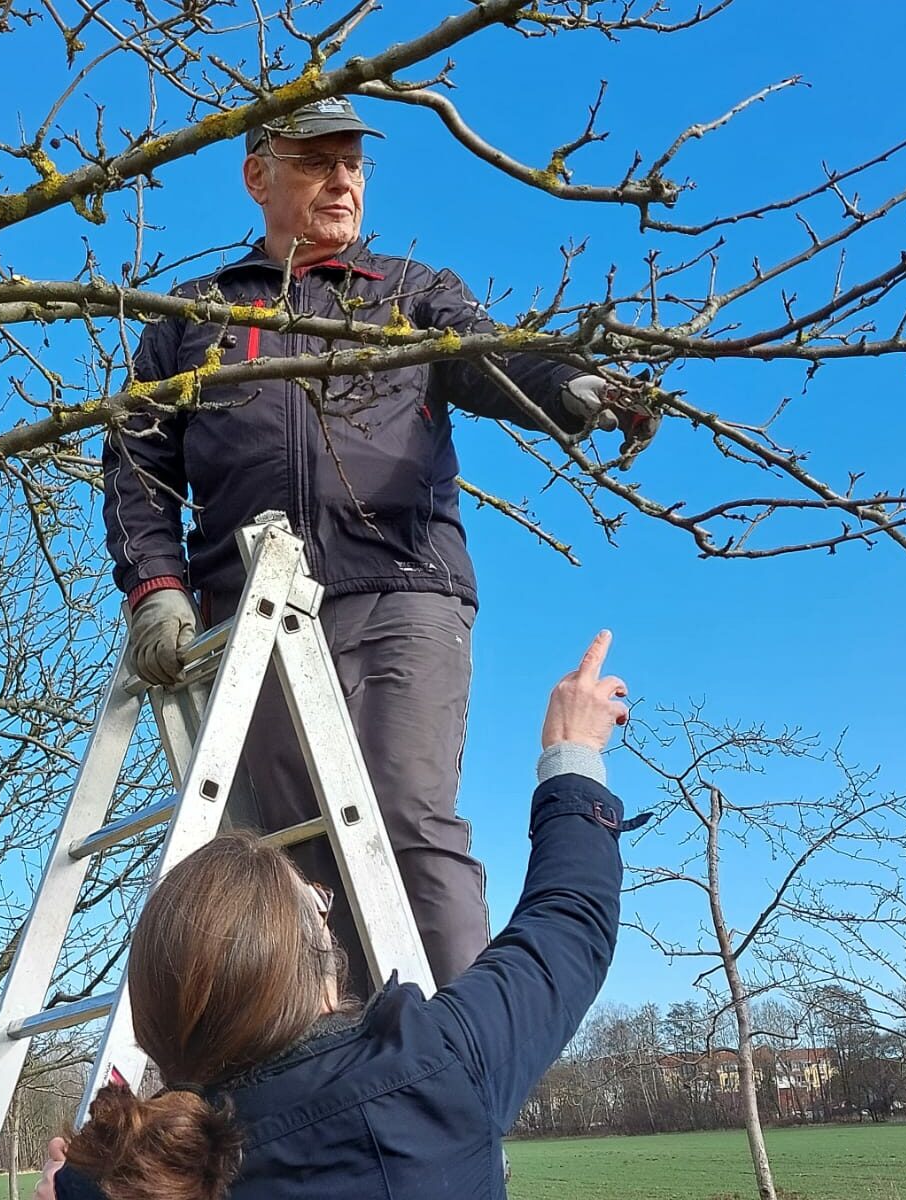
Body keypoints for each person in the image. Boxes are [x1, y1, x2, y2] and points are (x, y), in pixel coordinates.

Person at [102, 95, 654, 987]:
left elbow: (492, 353)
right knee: (296, 859)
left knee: (404, 814)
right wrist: (156, 586)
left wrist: (572, 383)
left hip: (403, 588)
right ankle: (336, 1077)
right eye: (318, 160)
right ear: (257, 175)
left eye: (354, 162)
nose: (343, 179)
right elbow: (137, 462)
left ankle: (459, 1068)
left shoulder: (409, 294)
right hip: (252, 612)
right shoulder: (191, 318)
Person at [35, 630, 638, 1200]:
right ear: (310, 971)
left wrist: (78, 1184)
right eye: (314, 904)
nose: (328, 897)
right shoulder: (438, 1069)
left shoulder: (141, 1175)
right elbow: (567, 921)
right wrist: (571, 752)